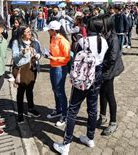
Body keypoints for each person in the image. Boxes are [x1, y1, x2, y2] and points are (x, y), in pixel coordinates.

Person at [53, 16, 109, 155]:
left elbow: (76, 58)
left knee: (72, 110)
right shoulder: (103, 41)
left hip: (83, 77)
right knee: (92, 108)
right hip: (97, 76)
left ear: (88, 27)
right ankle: (90, 137)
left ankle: (66, 144)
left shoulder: (82, 41)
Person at [97, 15, 124, 136]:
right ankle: (102, 116)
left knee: (109, 95)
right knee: (102, 93)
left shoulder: (113, 37)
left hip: (109, 70)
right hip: (104, 69)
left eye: (102, 23)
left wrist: (100, 64)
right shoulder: (104, 34)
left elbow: (112, 58)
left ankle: (113, 122)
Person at [12, 25, 43, 122]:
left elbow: (40, 52)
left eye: (30, 31)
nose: (30, 33)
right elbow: (15, 57)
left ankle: (30, 108)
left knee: (30, 89)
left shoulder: (35, 41)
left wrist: (38, 55)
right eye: (27, 32)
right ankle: (20, 113)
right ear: (22, 33)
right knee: (21, 91)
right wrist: (22, 52)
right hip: (22, 69)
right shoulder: (16, 42)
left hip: (32, 68)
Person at [45, 21, 71, 127]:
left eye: (49, 30)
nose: (48, 32)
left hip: (60, 68)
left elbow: (67, 58)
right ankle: (59, 109)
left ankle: (64, 115)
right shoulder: (53, 38)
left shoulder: (63, 41)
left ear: (54, 30)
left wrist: (53, 58)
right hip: (53, 66)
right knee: (55, 89)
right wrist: (49, 54)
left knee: (60, 91)